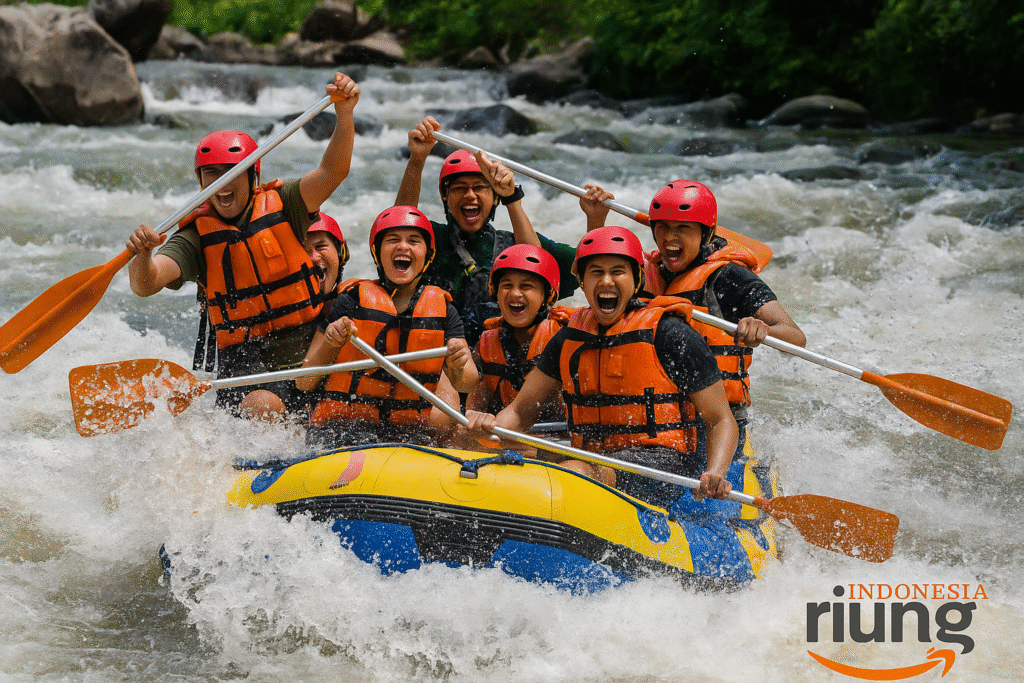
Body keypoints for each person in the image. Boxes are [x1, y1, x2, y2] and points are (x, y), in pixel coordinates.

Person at [125, 72, 360, 422]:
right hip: (244, 366)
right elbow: (146, 283)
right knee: (262, 407)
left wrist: (345, 115)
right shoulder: (196, 237)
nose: (221, 183)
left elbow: (333, 171)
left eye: (232, 171)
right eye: (211, 174)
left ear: (253, 176)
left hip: (309, 351)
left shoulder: (286, 202)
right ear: (200, 181)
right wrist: (141, 254)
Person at [466, 226, 737, 509]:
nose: (606, 281)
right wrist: (491, 427)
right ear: (582, 283)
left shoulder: (670, 334)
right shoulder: (568, 338)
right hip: (593, 457)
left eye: (617, 271)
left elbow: (720, 419)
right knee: (490, 449)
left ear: (636, 279)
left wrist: (716, 471)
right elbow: (521, 411)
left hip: (659, 466)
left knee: (574, 471)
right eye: (596, 272)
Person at [640, 180, 805, 455]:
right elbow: (599, 288)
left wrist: (761, 328)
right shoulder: (646, 273)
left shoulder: (729, 277)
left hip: (715, 423)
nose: (670, 237)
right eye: (663, 227)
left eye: (683, 228)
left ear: (706, 233)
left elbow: (795, 337)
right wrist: (595, 218)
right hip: (659, 417)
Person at [298, 206, 478, 448]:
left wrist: (458, 365)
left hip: (409, 431)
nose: (403, 247)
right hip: (342, 428)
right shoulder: (350, 301)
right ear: (377, 253)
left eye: (414, 241)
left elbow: (467, 383)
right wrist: (331, 342)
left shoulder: (445, 311)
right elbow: (304, 382)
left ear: (428, 255)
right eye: (393, 240)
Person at [394, 116, 579, 345]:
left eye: (480, 188)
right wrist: (417, 159)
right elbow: (397, 224)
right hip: (436, 356)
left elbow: (586, 269)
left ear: (494, 198)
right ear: (445, 195)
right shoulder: (430, 239)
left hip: (497, 362)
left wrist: (511, 198)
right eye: (460, 188)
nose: (470, 195)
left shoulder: (516, 243)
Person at [465, 244, 573, 422]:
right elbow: (474, 408)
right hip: (506, 436)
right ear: (495, 292)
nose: (515, 293)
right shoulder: (486, 342)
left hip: (555, 440)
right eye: (507, 285)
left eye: (526, 286)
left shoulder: (565, 336)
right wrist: (477, 420)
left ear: (548, 296)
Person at [304, 211, 350, 303]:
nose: (313, 258)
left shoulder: (359, 305)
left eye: (320, 247)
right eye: (303, 251)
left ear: (341, 251)